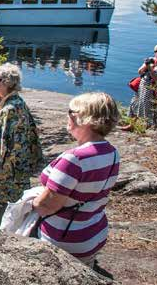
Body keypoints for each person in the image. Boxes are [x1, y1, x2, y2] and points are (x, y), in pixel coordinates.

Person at [33, 92, 120, 269]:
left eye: (71, 112)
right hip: (94, 231)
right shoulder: (112, 152)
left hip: (65, 239)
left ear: (85, 119)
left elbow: (46, 206)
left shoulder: (74, 159)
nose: (68, 116)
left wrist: (31, 202)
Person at [0, 63, 43, 230]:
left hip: (6, 178)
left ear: (8, 82)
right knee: (13, 217)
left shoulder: (8, 109)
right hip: (18, 176)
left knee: (3, 219)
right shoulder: (19, 104)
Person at [127, 41, 157, 126]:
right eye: (155, 51)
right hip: (142, 86)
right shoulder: (151, 60)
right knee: (134, 103)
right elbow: (140, 72)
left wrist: (151, 69)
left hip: (153, 90)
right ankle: (132, 125)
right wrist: (146, 65)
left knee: (147, 108)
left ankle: (146, 125)